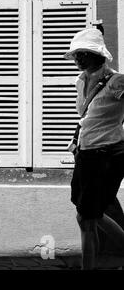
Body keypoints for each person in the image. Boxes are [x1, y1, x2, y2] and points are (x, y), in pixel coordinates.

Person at [65, 28, 124, 269]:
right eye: (76, 54)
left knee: (88, 218)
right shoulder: (80, 81)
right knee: (86, 215)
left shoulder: (116, 81)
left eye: (83, 54)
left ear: (97, 55)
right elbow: (85, 116)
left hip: (107, 155)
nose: (77, 59)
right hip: (86, 153)